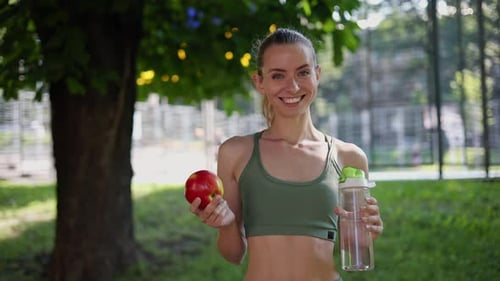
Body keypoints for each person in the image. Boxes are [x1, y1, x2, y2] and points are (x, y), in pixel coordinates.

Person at [189, 27, 384, 281]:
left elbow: (354, 248)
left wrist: (369, 231)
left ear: (317, 74)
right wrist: (226, 225)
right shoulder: (236, 153)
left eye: (303, 72)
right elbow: (233, 254)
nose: (292, 86)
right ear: (259, 82)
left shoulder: (349, 157)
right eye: (278, 75)